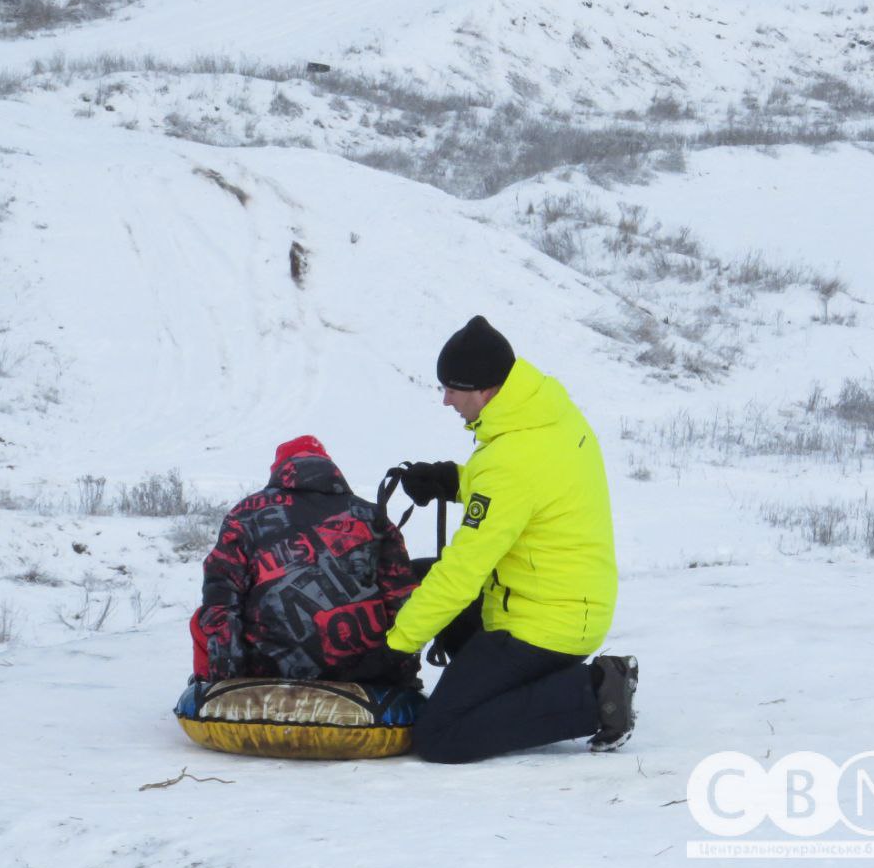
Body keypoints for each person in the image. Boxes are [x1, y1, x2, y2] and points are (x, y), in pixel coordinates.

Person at [386, 315, 637, 763]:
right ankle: (502, 683)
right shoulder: (542, 414)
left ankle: (595, 693)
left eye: (451, 389)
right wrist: (454, 482)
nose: (445, 400)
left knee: (441, 735)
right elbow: (527, 492)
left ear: (484, 389)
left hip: (544, 627)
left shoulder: (512, 455)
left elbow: (462, 573)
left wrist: (394, 646)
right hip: (564, 599)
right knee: (413, 577)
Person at [190, 435, 420, 686]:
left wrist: (226, 681)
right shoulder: (372, 515)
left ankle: (210, 690)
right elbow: (403, 599)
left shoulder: (244, 515)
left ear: (279, 470)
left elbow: (221, 598)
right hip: (365, 674)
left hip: (266, 674)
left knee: (202, 618)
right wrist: (401, 675)